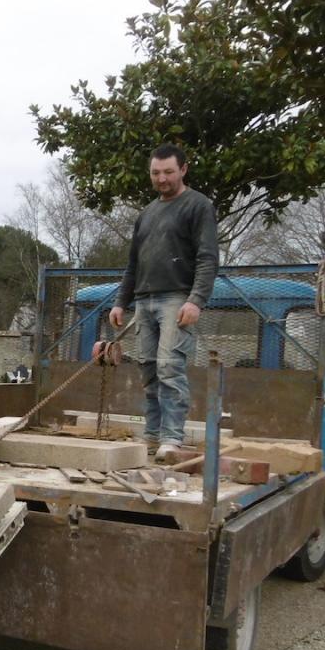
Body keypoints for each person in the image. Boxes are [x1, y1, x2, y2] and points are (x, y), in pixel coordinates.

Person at [108, 144, 219, 462]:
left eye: (169, 172)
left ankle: (172, 439)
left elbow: (208, 258)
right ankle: (153, 437)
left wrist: (196, 300)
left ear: (183, 169)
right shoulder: (146, 213)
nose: (162, 178)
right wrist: (120, 303)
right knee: (149, 371)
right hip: (144, 300)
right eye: (156, 173)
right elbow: (133, 263)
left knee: (170, 369)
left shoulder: (198, 206)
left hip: (177, 299)